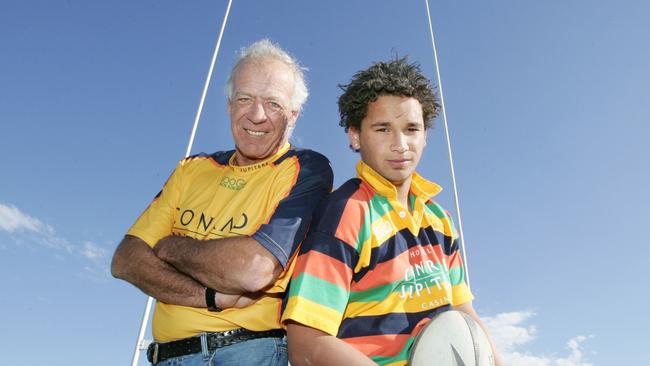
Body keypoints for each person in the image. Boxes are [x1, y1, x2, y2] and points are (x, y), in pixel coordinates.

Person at [111, 39, 333, 366]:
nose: (256, 115)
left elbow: (253, 270)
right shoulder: (192, 169)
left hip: (249, 353)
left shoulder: (306, 170)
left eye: (273, 103)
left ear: (294, 115)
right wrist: (210, 296)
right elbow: (126, 259)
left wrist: (171, 247)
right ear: (230, 105)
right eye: (245, 99)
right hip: (166, 357)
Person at [282, 57, 502, 366]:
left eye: (412, 128)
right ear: (355, 136)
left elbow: (464, 312)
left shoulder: (440, 220)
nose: (400, 144)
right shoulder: (347, 212)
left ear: (425, 135)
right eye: (383, 129)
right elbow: (306, 343)